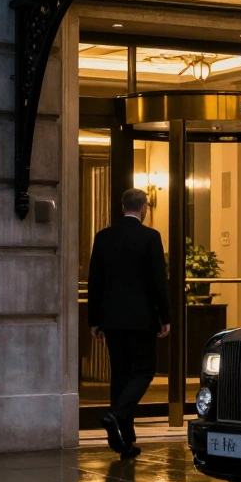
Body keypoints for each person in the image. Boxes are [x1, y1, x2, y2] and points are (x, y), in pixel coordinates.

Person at [88, 188, 171, 459]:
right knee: (145, 371)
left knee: (120, 374)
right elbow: (159, 281)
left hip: (111, 319)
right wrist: (165, 317)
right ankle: (116, 415)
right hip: (141, 318)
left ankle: (124, 442)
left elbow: (95, 281)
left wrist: (94, 320)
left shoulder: (103, 237)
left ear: (122, 207)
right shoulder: (150, 237)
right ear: (145, 207)